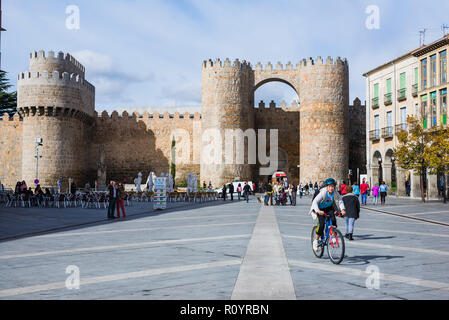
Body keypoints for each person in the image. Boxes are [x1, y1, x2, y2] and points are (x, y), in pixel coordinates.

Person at [309, 178, 346, 252]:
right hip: (319, 209)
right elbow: (315, 202)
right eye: (329, 186)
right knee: (321, 225)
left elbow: (340, 200)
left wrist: (342, 209)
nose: (331, 188)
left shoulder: (335, 192)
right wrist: (318, 211)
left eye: (332, 186)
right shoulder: (323, 192)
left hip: (328, 208)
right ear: (327, 187)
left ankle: (332, 235)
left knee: (333, 220)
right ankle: (315, 241)